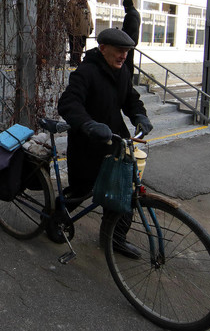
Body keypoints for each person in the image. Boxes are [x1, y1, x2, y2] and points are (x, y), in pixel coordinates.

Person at [58, 28, 153, 258]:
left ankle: (114, 239)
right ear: (103, 49)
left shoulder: (123, 71)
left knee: (125, 190)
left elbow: (130, 99)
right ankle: (55, 220)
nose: (124, 56)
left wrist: (139, 115)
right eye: (119, 51)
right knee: (80, 191)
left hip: (116, 142)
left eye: (127, 52)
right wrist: (89, 124)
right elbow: (69, 103)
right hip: (87, 145)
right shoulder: (86, 72)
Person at [65, 0, 93, 66]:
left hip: (84, 30)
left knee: (81, 47)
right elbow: (68, 15)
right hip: (75, 30)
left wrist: (91, 26)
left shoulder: (86, 4)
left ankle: (77, 60)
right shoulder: (73, 2)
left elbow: (89, 15)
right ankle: (74, 62)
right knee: (74, 48)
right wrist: (71, 26)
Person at [121, 0, 140, 76]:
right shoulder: (135, 13)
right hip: (131, 42)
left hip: (129, 43)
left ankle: (128, 81)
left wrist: (123, 35)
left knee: (127, 63)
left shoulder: (131, 15)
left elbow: (131, 30)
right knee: (129, 62)